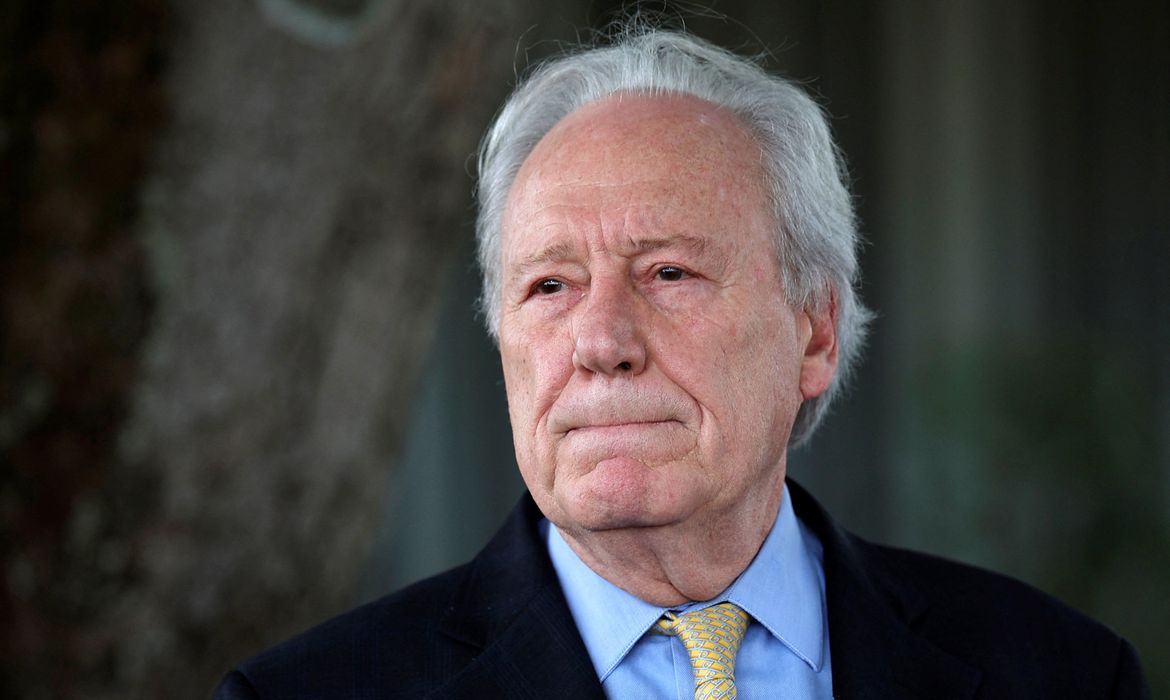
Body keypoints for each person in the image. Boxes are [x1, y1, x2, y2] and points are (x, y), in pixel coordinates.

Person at [215, 26, 1149, 699]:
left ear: (815, 333)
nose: (601, 342)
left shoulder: (1061, 673)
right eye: (549, 287)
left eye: (668, 271)